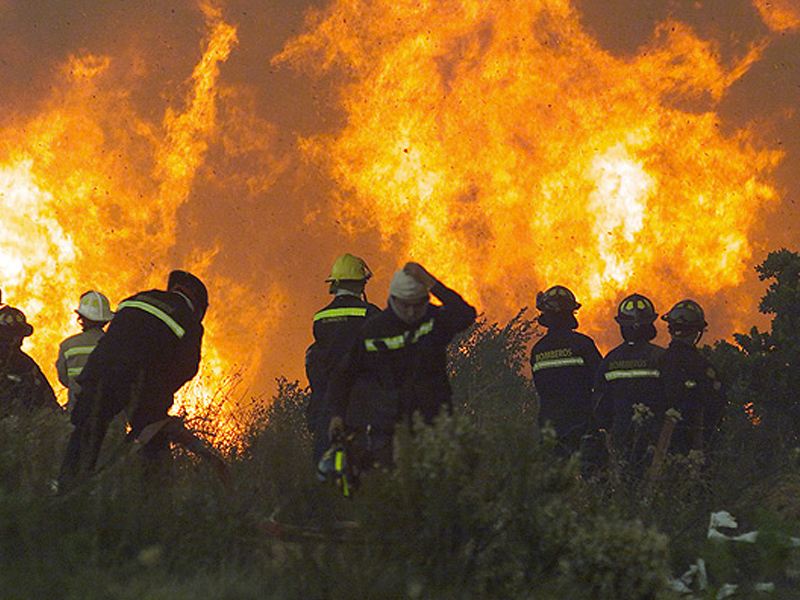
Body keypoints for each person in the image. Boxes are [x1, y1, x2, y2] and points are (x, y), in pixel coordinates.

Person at [58, 270, 208, 489]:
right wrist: (159, 399)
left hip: (99, 369)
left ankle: (68, 488)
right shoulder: (188, 318)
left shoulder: (137, 298)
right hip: (139, 379)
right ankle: (153, 495)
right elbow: (186, 368)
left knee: (87, 428)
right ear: (197, 302)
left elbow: (113, 340)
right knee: (152, 435)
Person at [326, 262, 476, 467]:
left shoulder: (433, 321)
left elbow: (465, 314)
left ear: (426, 300)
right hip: (388, 431)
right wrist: (336, 415)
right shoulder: (373, 331)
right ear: (393, 299)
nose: (412, 312)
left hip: (434, 423)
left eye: (418, 304)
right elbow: (344, 375)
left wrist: (431, 282)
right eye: (406, 305)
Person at [306, 253, 381, 466]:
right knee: (364, 471)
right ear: (361, 284)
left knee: (326, 469)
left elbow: (316, 363)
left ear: (335, 284)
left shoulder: (319, 318)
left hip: (326, 409)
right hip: (361, 409)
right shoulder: (371, 315)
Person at [593, 294, 666, 477]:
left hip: (621, 436)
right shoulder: (662, 358)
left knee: (626, 480)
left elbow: (600, 405)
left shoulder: (610, 360)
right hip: (657, 438)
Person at [530, 285, 602, 460]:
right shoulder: (583, 344)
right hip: (582, 426)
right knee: (591, 470)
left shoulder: (538, 350)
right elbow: (601, 382)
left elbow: (540, 387)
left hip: (550, 428)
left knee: (555, 474)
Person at [656, 299, 726, 455]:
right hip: (694, 442)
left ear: (670, 329)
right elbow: (716, 405)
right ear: (696, 332)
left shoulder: (658, 361)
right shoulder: (703, 367)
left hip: (659, 442)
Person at [56, 291, 114, 412]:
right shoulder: (116, 344)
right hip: (110, 413)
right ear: (105, 321)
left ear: (81, 318)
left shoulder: (68, 346)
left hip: (77, 412)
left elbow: (64, 379)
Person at [0, 304, 60, 415]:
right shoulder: (21, 362)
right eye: (12, 334)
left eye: (20, 334)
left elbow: (46, 397)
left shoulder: (23, 362)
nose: (19, 339)